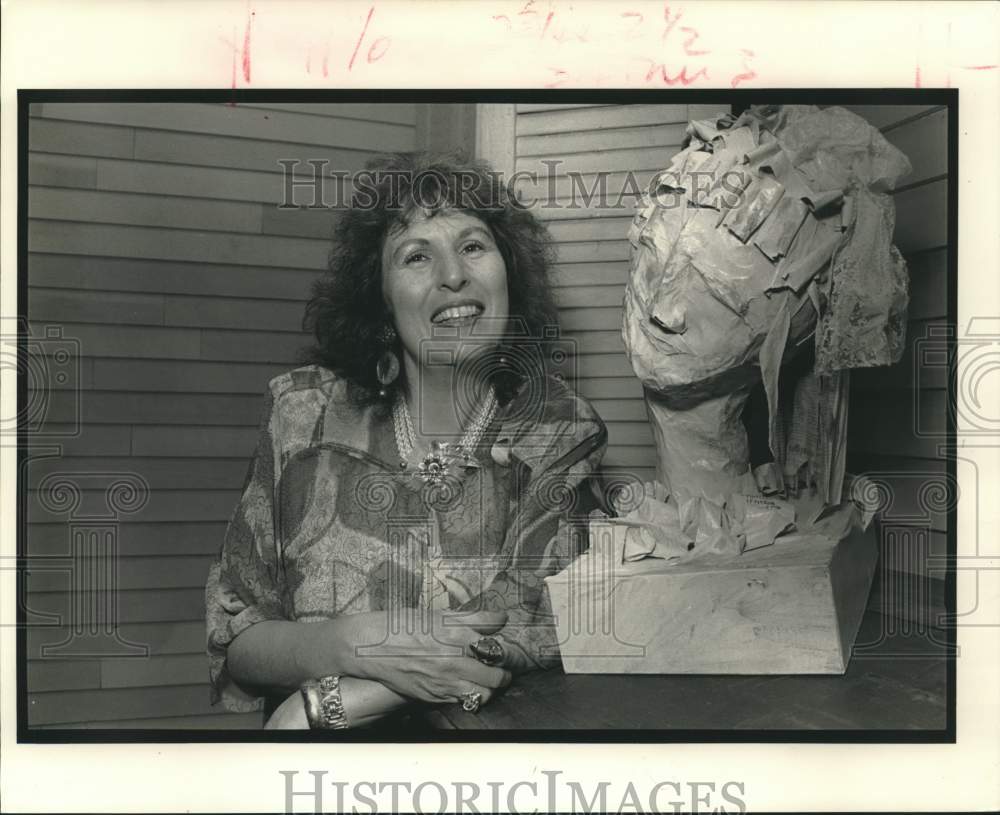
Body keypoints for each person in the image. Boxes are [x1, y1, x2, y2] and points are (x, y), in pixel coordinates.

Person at [205, 151, 608, 729]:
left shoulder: (559, 431)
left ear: (508, 275)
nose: (453, 276)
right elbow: (239, 641)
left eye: (473, 246)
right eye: (417, 256)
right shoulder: (303, 416)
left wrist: (323, 705)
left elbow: (535, 621)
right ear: (383, 303)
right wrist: (351, 643)